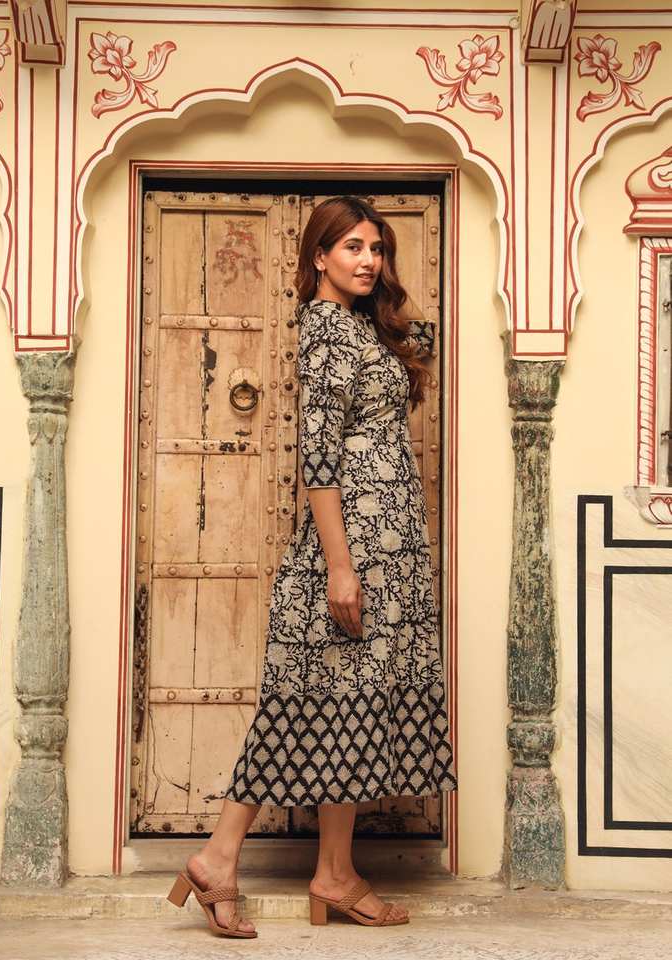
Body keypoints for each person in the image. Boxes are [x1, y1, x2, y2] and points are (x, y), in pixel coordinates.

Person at [166, 195, 457, 939]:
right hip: (354, 545)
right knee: (303, 705)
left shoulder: (360, 326)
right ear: (318, 257)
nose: (368, 260)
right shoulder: (325, 332)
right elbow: (319, 462)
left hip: (387, 546)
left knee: (348, 707)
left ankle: (332, 873)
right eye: (351, 247)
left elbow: (422, 340)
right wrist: (339, 567)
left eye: (376, 248)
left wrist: (388, 304)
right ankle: (219, 859)